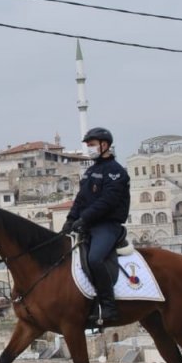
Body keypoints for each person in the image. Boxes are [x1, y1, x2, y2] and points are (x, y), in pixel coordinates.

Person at [61, 127, 130, 324]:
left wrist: (85, 218)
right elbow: (81, 199)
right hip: (88, 224)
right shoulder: (91, 171)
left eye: (92, 145)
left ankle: (108, 306)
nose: (89, 149)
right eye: (88, 145)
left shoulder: (116, 172)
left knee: (95, 259)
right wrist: (70, 220)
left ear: (104, 145)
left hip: (107, 226)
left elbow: (107, 201)